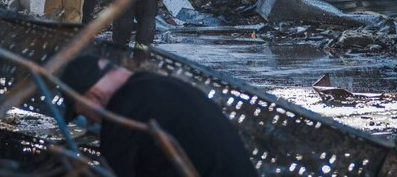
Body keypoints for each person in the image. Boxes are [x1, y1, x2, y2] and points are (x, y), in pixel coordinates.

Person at [59, 54, 257, 177]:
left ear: (93, 96)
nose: (94, 122)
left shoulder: (123, 111)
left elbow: (115, 172)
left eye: (87, 115)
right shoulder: (161, 86)